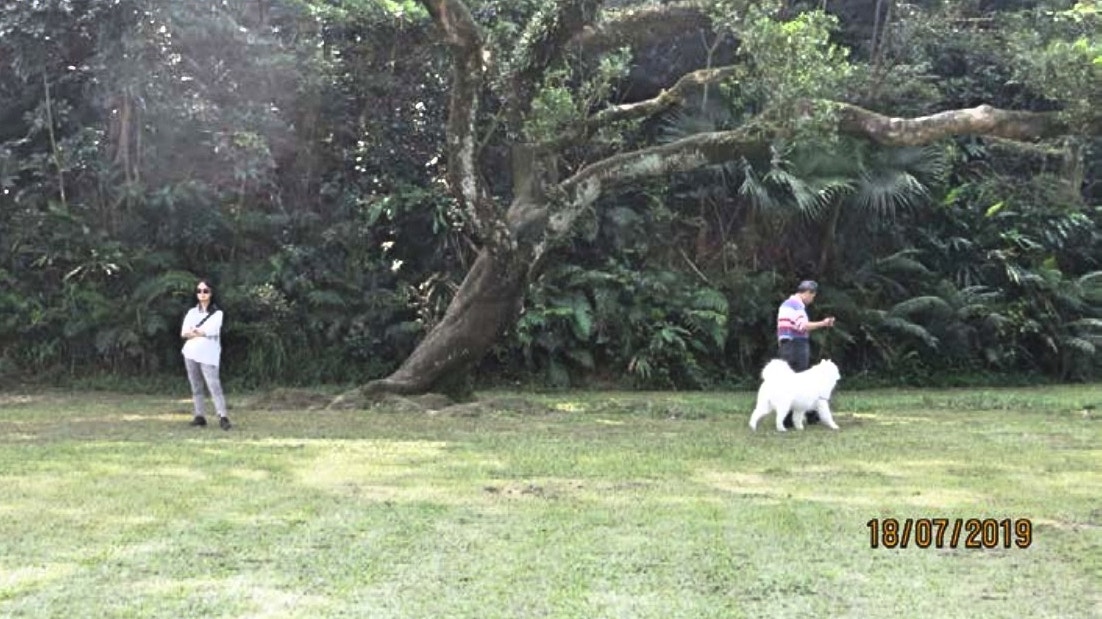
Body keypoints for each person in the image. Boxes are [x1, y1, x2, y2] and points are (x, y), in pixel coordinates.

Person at [776, 279, 835, 427]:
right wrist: (824, 323)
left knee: (788, 383)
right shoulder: (796, 305)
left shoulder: (785, 304)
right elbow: (802, 326)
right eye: (812, 296)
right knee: (802, 383)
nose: (812, 300)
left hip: (786, 345)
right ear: (807, 293)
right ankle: (807, 416)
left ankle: (790, 417)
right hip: (796, 345)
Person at [181, 279, 231, 430]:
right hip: (190, 353)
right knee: (196, 386)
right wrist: (198, 332)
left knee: (214, 385)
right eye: (199, 291)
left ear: (211, 293)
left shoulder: (217, 313)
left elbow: (212, 331)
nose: (202, 294)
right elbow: (184, 332)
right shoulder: (192, 312)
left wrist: (197, 332)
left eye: (205, 291)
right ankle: (199, 416)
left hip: (208, 355)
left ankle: (222, 416)